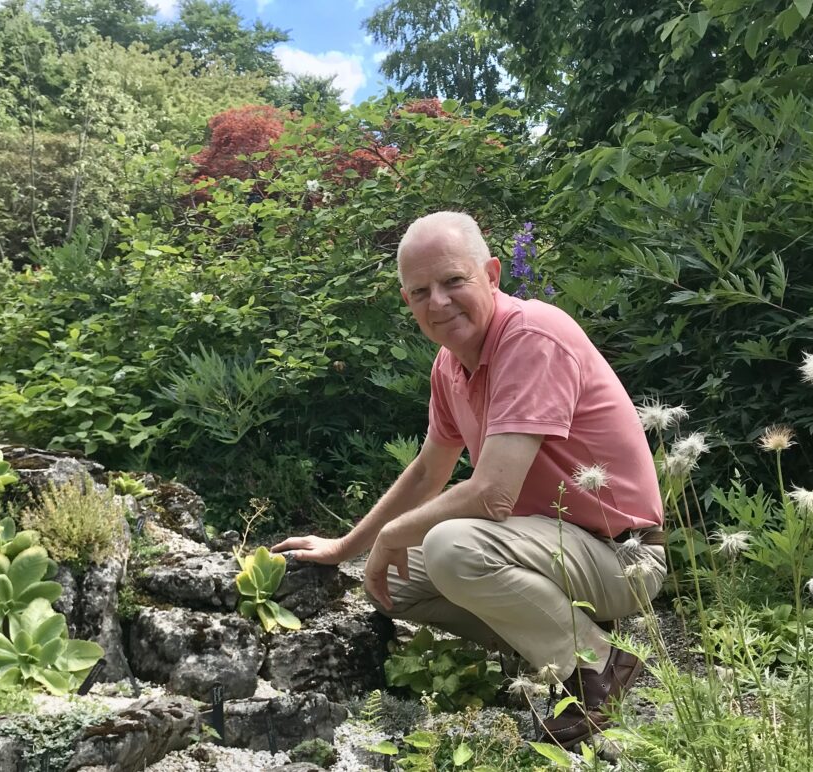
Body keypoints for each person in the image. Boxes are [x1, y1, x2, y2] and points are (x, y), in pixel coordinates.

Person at [272, 211, 666, 749]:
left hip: (624, 558)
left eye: (454, 281)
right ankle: (552, 648)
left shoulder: (531, 336)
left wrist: (391, 536)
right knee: (392, 587)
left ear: (493, 274)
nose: (438, 302)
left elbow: (492, 494)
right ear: (407, 301)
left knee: (450, 547)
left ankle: (598, 665)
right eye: (419, 291)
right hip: (549, 548)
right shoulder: (449, 364)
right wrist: (346, 548)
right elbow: (428, 471)